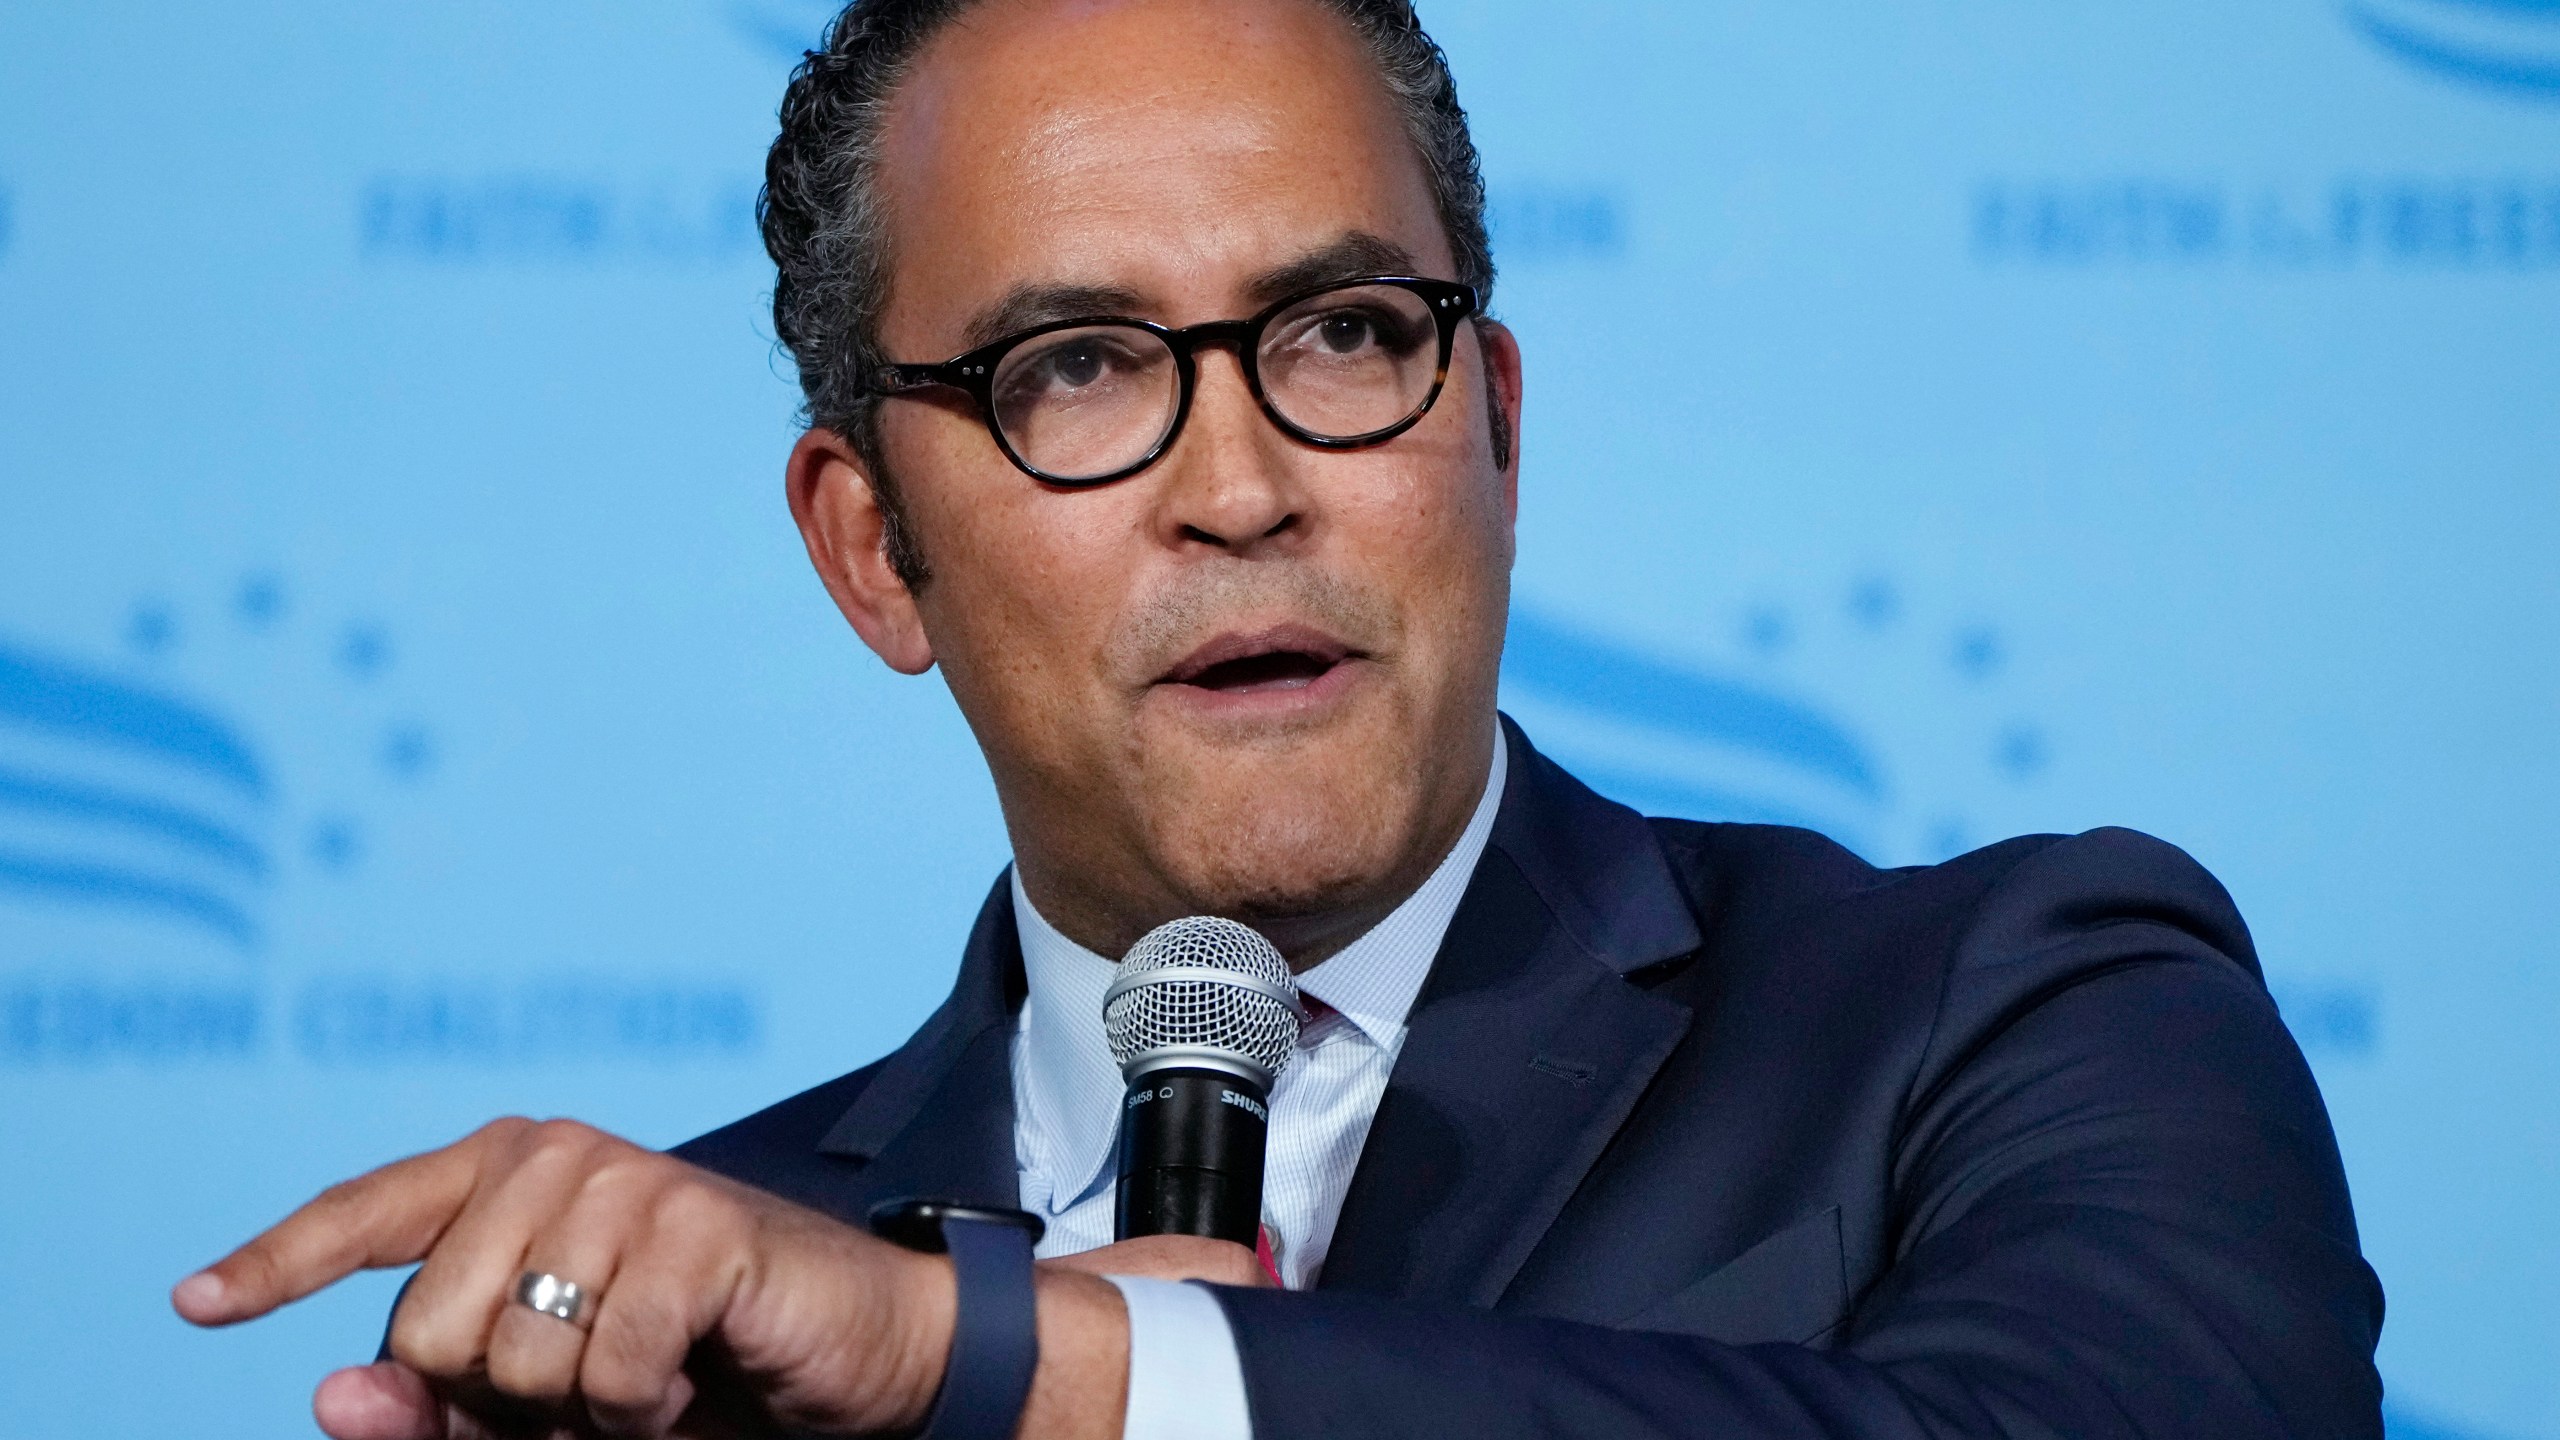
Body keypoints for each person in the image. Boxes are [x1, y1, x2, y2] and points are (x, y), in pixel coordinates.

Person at [172, 0, 2387, 1435]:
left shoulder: (2007, 1012)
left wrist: (1029, 1370)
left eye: (1337, 335)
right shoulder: (688, 1326)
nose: (1239, 488)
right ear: (870, 553)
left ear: (1493, 427)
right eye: (1074, 372)